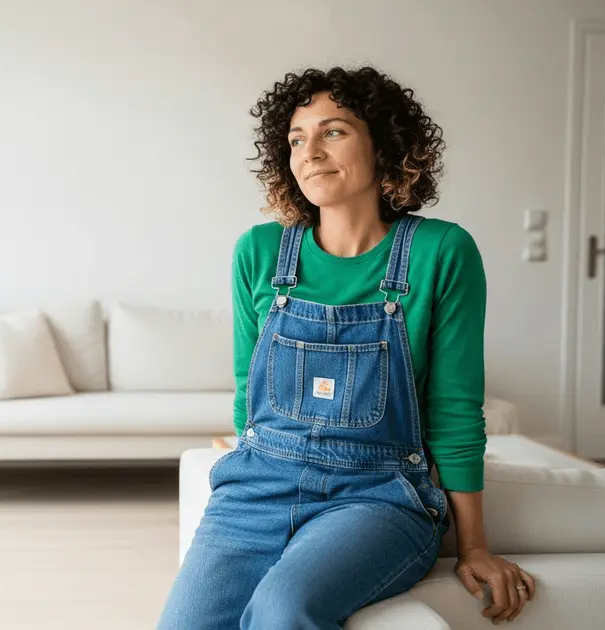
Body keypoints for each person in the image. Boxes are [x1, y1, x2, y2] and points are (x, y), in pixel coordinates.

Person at [157, 66, 536, 628]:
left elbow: (454, 409)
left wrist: (474, 545)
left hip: (378, 497)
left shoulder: (442, 251)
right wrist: (247, 440)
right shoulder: (259, 252)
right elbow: (248, 391)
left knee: (283, 610)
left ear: (385, 146)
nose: (310, 150)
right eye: (295, 138)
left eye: (333, 131)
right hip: (255, 490)